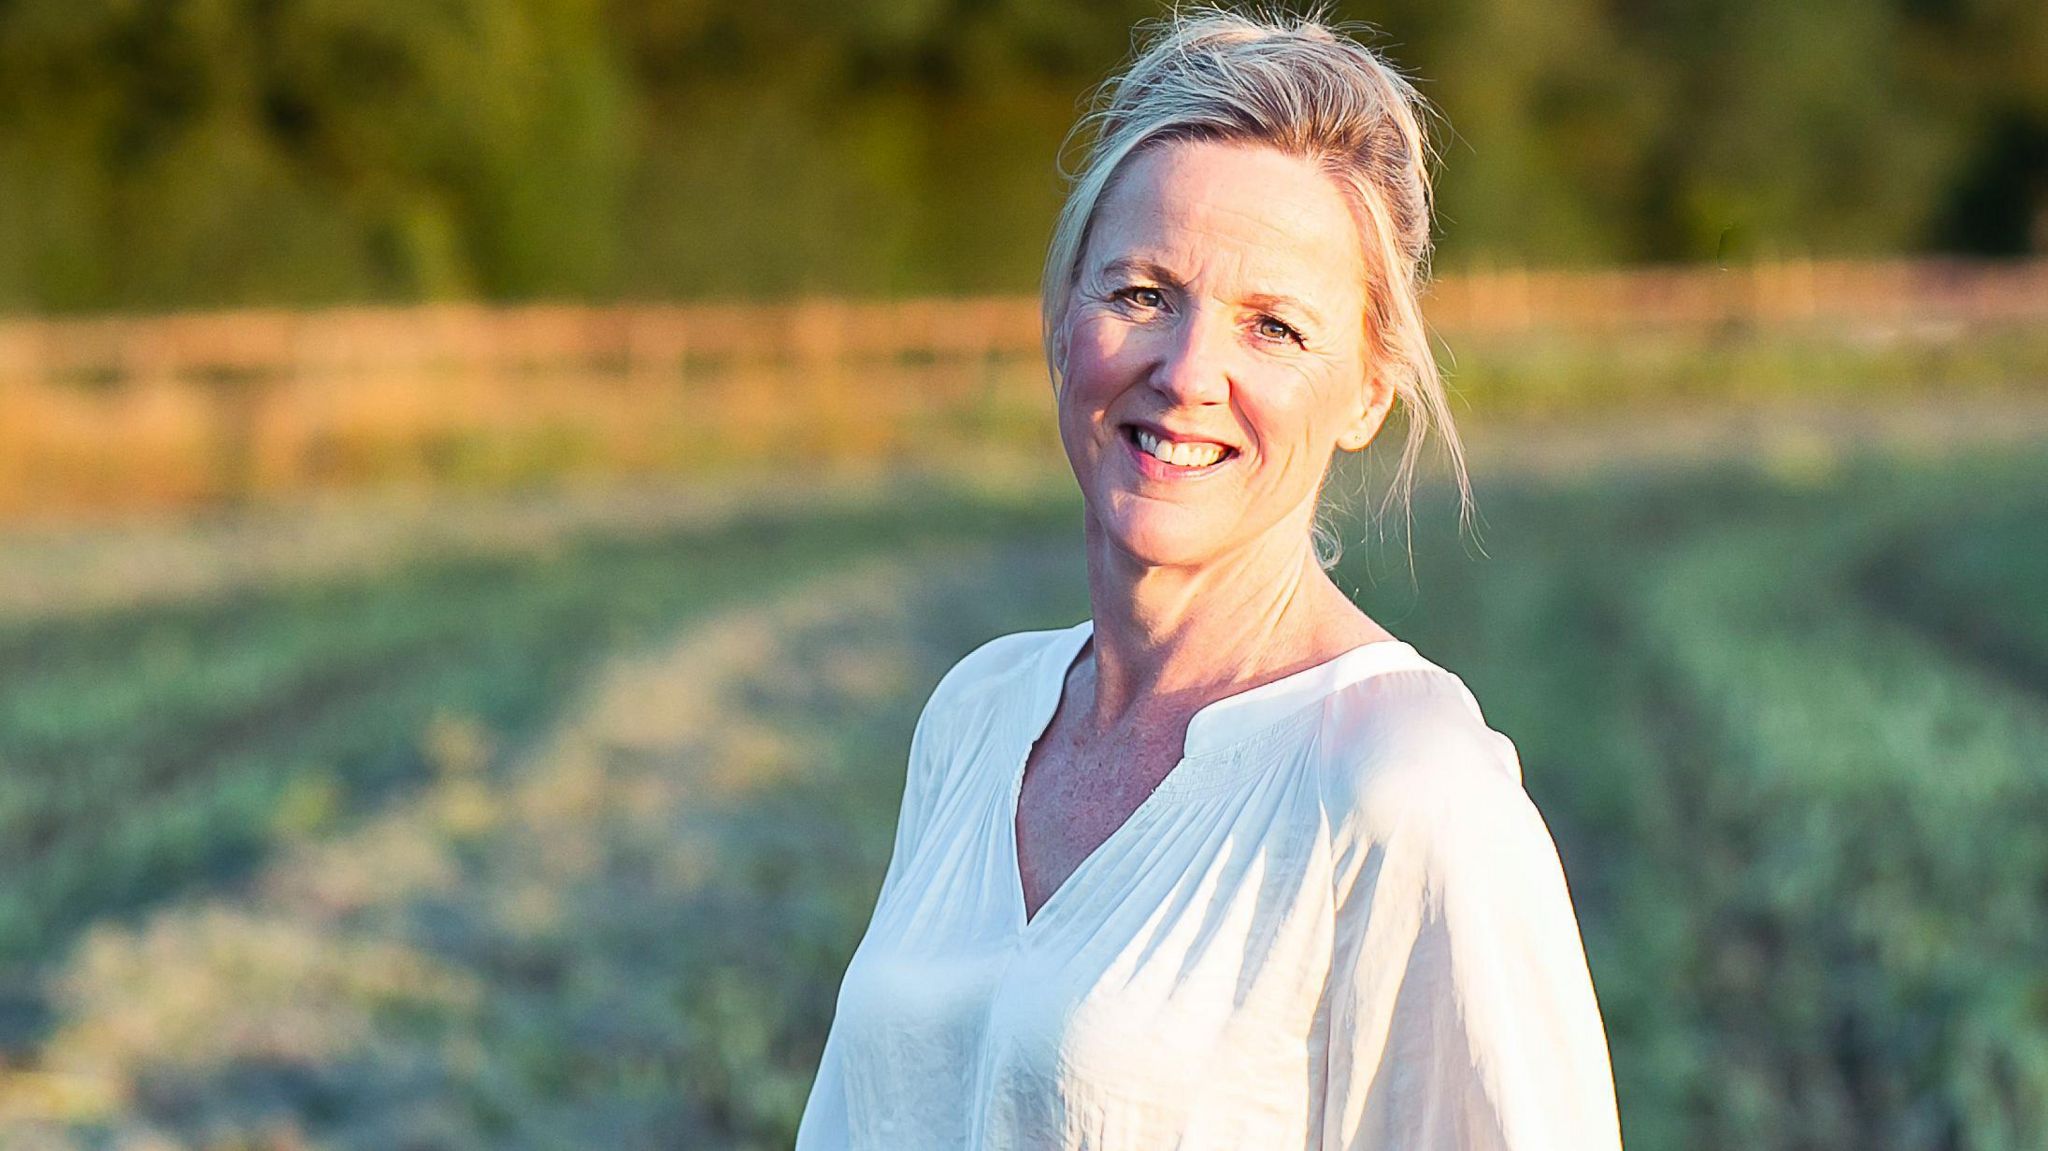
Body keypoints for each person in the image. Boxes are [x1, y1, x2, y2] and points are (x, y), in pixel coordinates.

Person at [794, 8, 1622, 1149]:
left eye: (1271, 327)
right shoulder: (977, 718)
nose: (1186, 373)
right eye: (1141, 292)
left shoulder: (1403, 784)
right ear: (1061, 318)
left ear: (1368, 392)